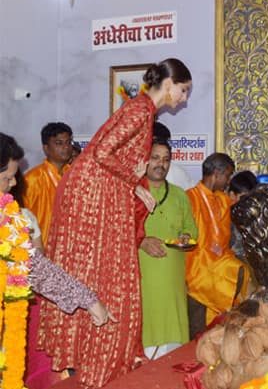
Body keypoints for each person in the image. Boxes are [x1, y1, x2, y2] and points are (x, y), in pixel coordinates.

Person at [39, 58, 192, 388]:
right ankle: (100, 361)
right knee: (110, 278)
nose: (183, 98)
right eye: (183, 90)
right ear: (169, 84)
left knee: (110, 277)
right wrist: (135, 183)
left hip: (100, 191)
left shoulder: (142, 110)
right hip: (91, 193)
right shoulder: (141, 110)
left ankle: (102, 362)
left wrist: (132, 185)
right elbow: (101, 153)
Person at [0, 133, 114, 389]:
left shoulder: (6, 219)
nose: (13, 184)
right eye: (7, 178)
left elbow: (35, 268)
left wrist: (88, 299)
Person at [138, 139, 197, 359]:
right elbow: (117, 231)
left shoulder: (179, 195)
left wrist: (186, 236)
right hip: (143, 277)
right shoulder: (131, 193)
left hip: (172, 277)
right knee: (145, 331)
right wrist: (141, 242)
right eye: (155, 158)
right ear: (144, 161)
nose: (160, 164)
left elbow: (191, 228)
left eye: (166, 159)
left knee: (173, 342)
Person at [185, 153, 248, 338]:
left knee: (241, 269)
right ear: (217, 174)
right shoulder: (190, 198)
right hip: (198, 269)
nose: (228, 182)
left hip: (220, 266)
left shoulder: (221, 199)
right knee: (198, 335)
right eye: (228, 176)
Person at [23, 122, 73, 245]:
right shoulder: (32, 179)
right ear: (46, 148)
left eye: (68, 142)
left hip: (71, 246)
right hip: (43, 248)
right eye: (59, 143)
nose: (66, 147)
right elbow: (22, 219)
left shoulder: (75, 175)